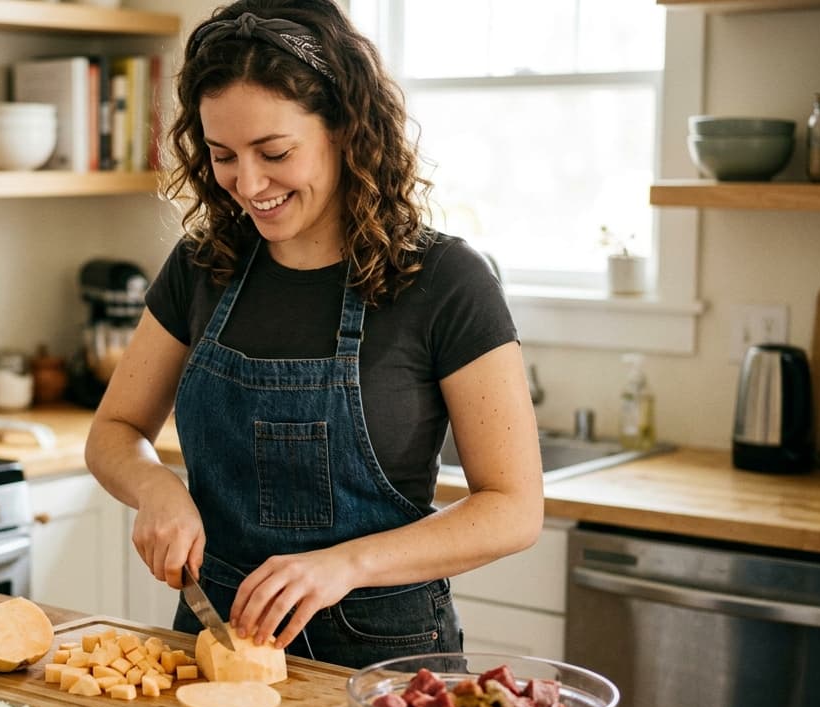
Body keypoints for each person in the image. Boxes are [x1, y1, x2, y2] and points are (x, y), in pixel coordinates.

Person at [85, 0, 543, 670]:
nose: (248, 183)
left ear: (344, 128)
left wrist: (347, 565)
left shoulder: (444, 280)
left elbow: (514, 507)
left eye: (274, 152)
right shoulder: (201, 268)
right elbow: (114, 430)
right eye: (223, 155)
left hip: (385, 662)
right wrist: (156, 489)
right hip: (211, 645)